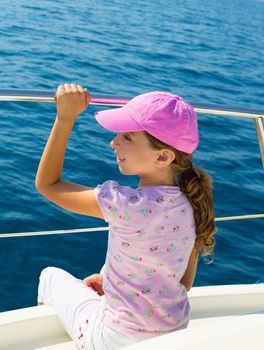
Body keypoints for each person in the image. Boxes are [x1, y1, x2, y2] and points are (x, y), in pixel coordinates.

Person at [35, 84, 216, 350]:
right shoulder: (194, 199)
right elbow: (183, 283)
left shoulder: (125, 203)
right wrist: (110, 282)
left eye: (127, 137)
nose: (114, 141)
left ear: (163, 156)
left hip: (113, 340)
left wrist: (65, 117)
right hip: (174, 334)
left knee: (49, 277)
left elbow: (48, 185)